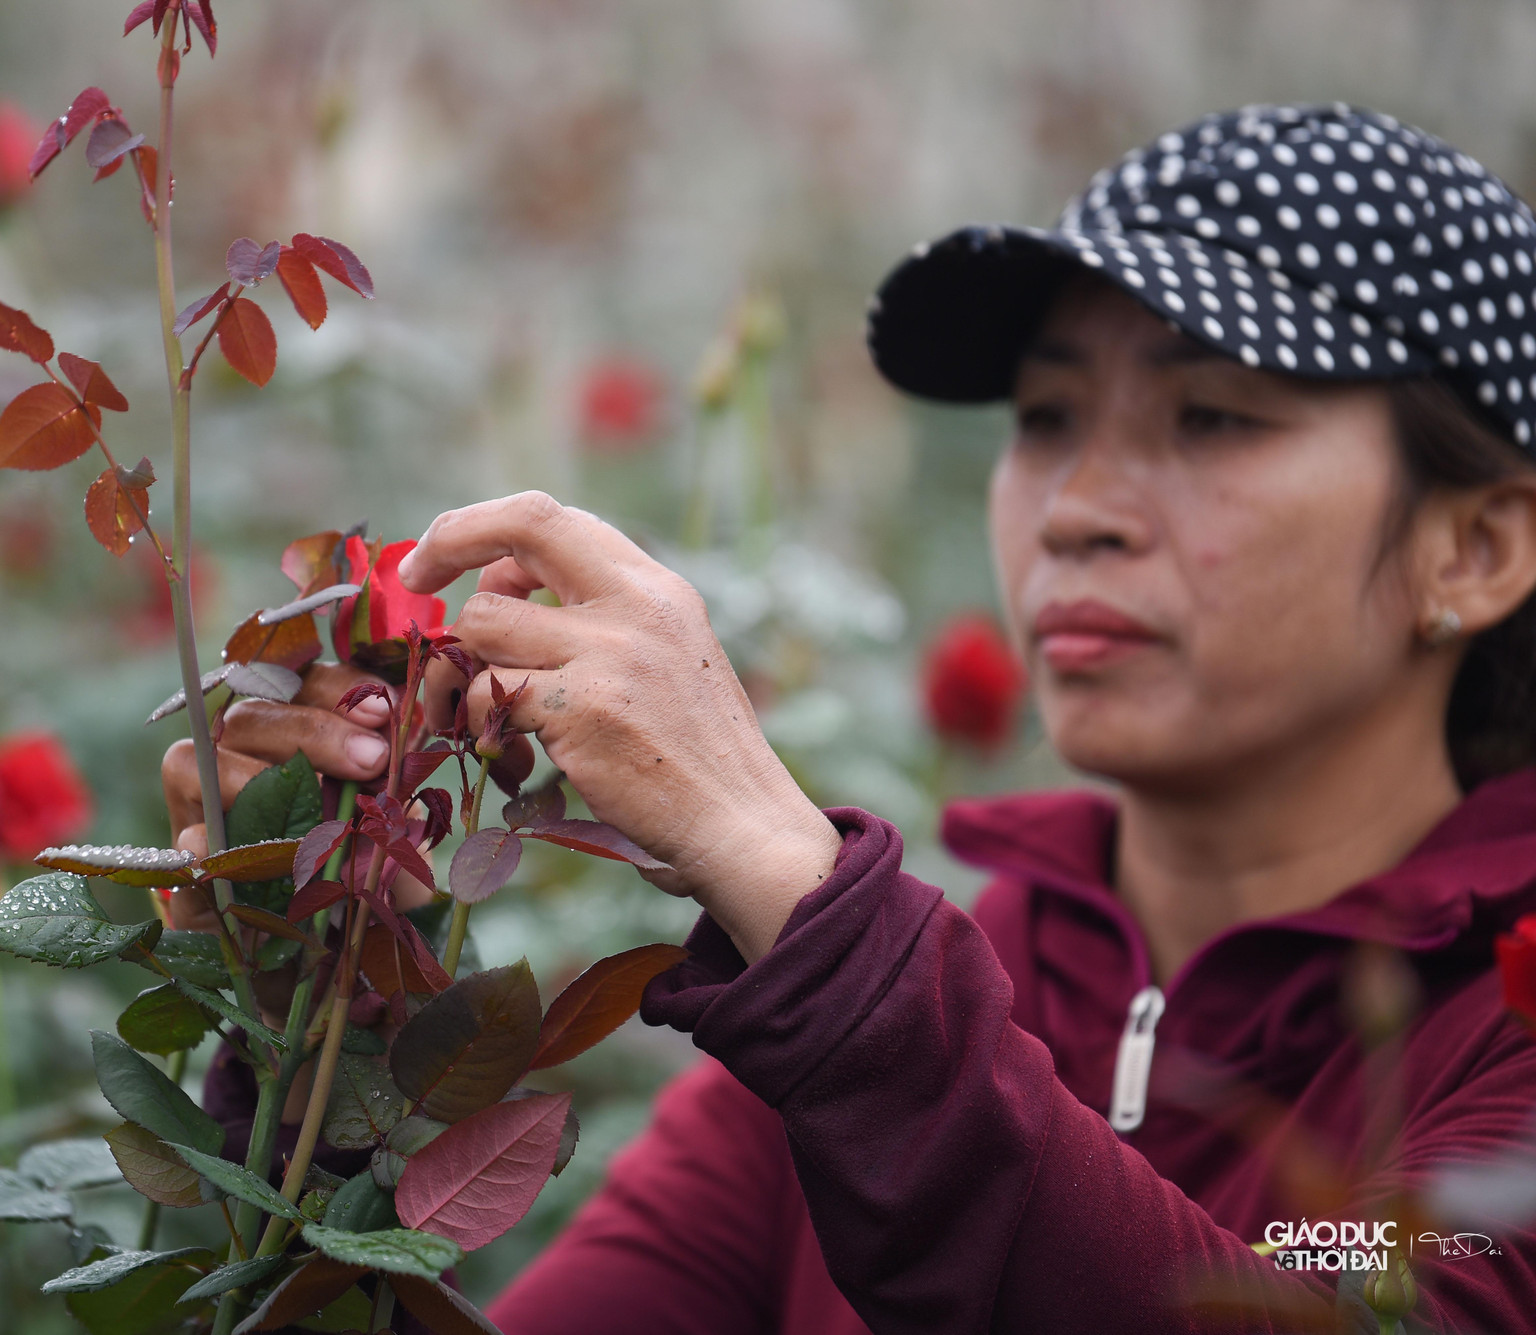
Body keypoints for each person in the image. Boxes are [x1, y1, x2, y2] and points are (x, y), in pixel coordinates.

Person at [165, 104, 1536, 1332]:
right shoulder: (906, 1016)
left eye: (1216, 418)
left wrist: (780, 868)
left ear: (1474, 548)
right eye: (1049, 414)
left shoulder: (1500, 1032)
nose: (1074, 508)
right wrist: (315, 1054)